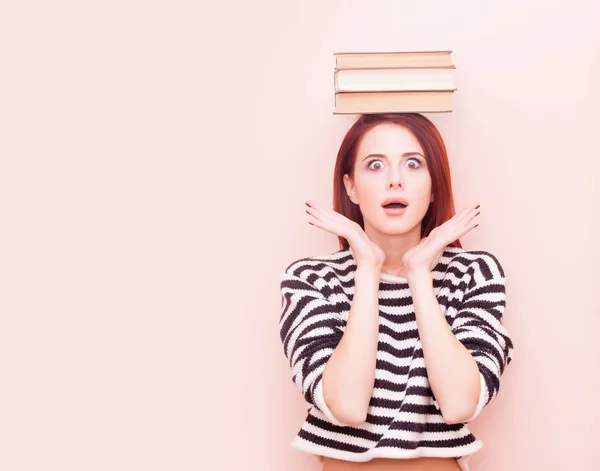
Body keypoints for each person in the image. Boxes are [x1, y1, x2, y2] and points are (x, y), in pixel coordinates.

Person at [278, 113, 514, 471]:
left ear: (435, 185)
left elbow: (459, 404)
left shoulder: (473, 273)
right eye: (375, 165)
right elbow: (347, 406)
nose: (395, 182)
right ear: (351, 187)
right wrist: (368, 269)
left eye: (413, 164)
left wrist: (418, 271)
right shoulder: (311, 278)